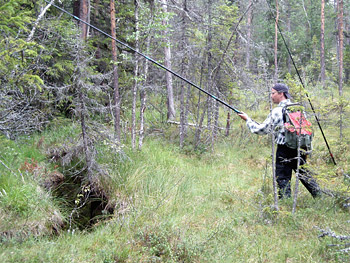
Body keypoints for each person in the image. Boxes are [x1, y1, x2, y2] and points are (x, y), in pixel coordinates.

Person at [237, 83, 321, 199]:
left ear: (281, 94)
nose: (271, 96)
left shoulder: (278, 111)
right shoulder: (298, 108)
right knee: (304, 174)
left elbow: (261, 130)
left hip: (284, 148)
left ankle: (285, 202)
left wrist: (247, 120)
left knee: (282, 176)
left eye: (273, 93)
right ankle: (319, 195)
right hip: (300, 147)